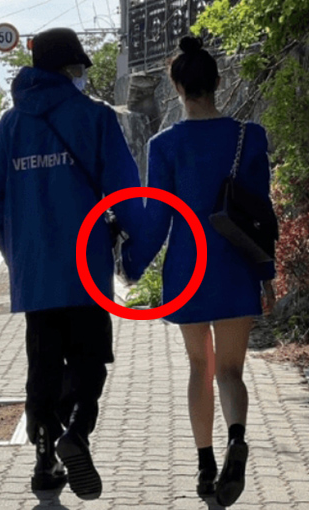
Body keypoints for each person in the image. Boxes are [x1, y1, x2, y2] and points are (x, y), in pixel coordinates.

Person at [0, 27, 143, 501]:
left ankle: (44, 461)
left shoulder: (9, 126)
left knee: (43, 367)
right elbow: (126, 192)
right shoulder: (95, 117)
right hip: (86, 269)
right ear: (69, 69)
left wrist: (18, 256)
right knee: (89, 361)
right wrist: (134, 253)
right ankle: (76, 430)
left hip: (35, 274)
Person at [122, 36, 277, 507]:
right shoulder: (250, 136)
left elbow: (156, 217)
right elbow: (260, 213)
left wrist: (132, 266)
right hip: (236, 265)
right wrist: (266, 272)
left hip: (188, 271)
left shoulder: (164, 145)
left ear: (177, 87)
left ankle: (206, 467)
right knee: (230, 371)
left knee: (199, 367)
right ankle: (237, 439)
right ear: (218, 82)